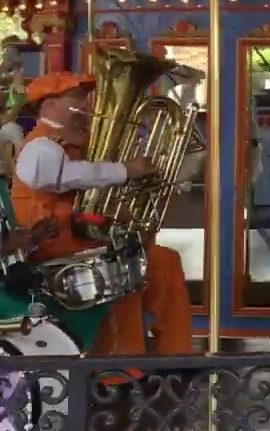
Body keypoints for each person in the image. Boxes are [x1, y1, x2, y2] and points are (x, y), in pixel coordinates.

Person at [8, 72, 193, 356]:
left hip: (84, 241)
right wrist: (125, 171)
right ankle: (117, 368)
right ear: (50, 104)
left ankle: (177, 355)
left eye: (85, 97)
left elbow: (90, 194)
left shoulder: (81, 145)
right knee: (125, 270)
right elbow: (60, 177)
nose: (86, 104)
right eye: (77, 98)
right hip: (50, 247)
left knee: (162, 260)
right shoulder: (40, 146)